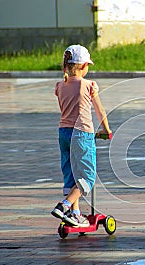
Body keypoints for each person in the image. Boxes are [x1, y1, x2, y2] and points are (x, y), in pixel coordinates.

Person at [51, 44, 111, 227]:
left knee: (71, 175)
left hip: (64, 133)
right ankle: (64, 206)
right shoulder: (89, 86)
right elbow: (100, 110)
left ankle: (75, 214)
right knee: (87, 178)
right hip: (82, 133)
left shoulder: (60, 86)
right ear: (84, 66)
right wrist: (106, 130)